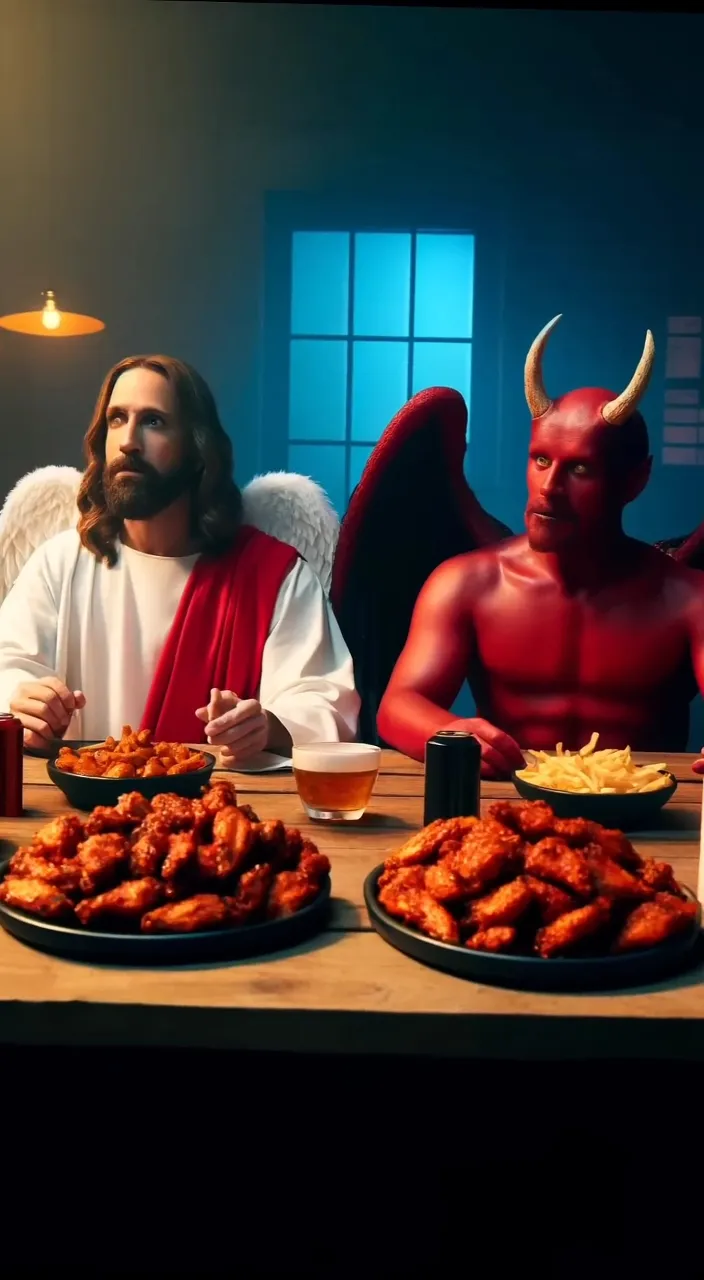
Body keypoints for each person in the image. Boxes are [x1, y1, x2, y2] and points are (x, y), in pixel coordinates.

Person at [377, 316, 704, 777]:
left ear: (636, 480)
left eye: (581, 469)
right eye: (542, 459)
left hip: (649, 825)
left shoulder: (688, 599)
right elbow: (399, 705)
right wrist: (449, 733)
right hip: (509, 815)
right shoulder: (468, 583)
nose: (549, 488)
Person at [0, 355, 360, 765]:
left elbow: (325, 698)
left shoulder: (273, 573)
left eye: (153, 421)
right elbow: (9, 665)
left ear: (197, 448)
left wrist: (267, 726)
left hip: (222, 816)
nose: (129, 441)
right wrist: (24, 701)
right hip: (86, 812)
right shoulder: (59, 563)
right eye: (117, 419)